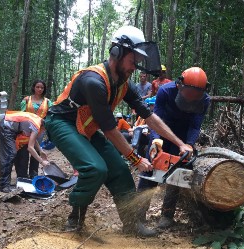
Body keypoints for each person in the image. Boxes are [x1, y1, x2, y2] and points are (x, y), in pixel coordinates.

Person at [44, 25, 193, 237]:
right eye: (133, 61)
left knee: (120, 172)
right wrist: (135, 159)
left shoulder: (124, 83)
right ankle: (74, 221)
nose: (135, 67)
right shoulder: (94, 81)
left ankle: (131, 225)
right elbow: (111, 130)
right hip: (62, 122)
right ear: (117, 52)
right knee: (95, 168)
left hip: (86, 127)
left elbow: (149, 117)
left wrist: (180, 143)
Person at [137, 67, 210, 230]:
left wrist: (190, 144)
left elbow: (195, 124)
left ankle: (167, 214)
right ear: (179, 85)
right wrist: (155, 140)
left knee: (177, 175)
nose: (191, 100)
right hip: (162, 133)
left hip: (184, 138)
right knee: (150, 169)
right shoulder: (165, 91)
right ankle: (139, 214)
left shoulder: (204, 100)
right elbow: (155, 119)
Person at [0, 111, 50, 193]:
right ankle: (3, 185)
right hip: (6, 126)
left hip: (12, 127)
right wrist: (41, 161)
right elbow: (30, 148)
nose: (44, 131)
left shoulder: (38, 121)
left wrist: (40, 151)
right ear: (45, 126)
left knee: (18, 152)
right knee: (10, 154)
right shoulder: (36, 125)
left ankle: (20, 180)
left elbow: (32, 139)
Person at [16, 79, 53, 178]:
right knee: (24, 151)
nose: (40, 89)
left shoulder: (48, 102)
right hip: (26, 130)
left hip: (40, 130)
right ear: (34, 87)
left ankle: (33, 173)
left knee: (36, 150)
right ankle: (22, 175)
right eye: (37, 87)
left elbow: (51, 116)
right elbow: (22, 114)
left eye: (42, 87)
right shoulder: (27, 100)